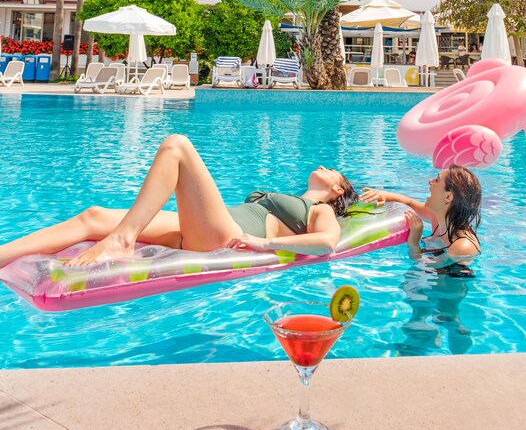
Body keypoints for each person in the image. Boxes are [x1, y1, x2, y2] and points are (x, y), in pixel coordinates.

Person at [0, 134, 358, 269]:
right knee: (93, 216)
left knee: (177, 145)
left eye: (333, 172)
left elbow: (327, 243)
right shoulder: (293, 197)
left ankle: (122, 240)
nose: (324, 167)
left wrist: (262, 243)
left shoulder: (321, 209)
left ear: (338, 190)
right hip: (204, 227)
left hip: (226, 237)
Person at [360, 165, 481, 273]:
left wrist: (413, 242)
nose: (430, 181)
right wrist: (384, 195)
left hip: (446, 288)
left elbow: (424, 266)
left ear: (448, 196)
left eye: (437, 180)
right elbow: (409, 202)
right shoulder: (438, 217)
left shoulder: (463, 246)